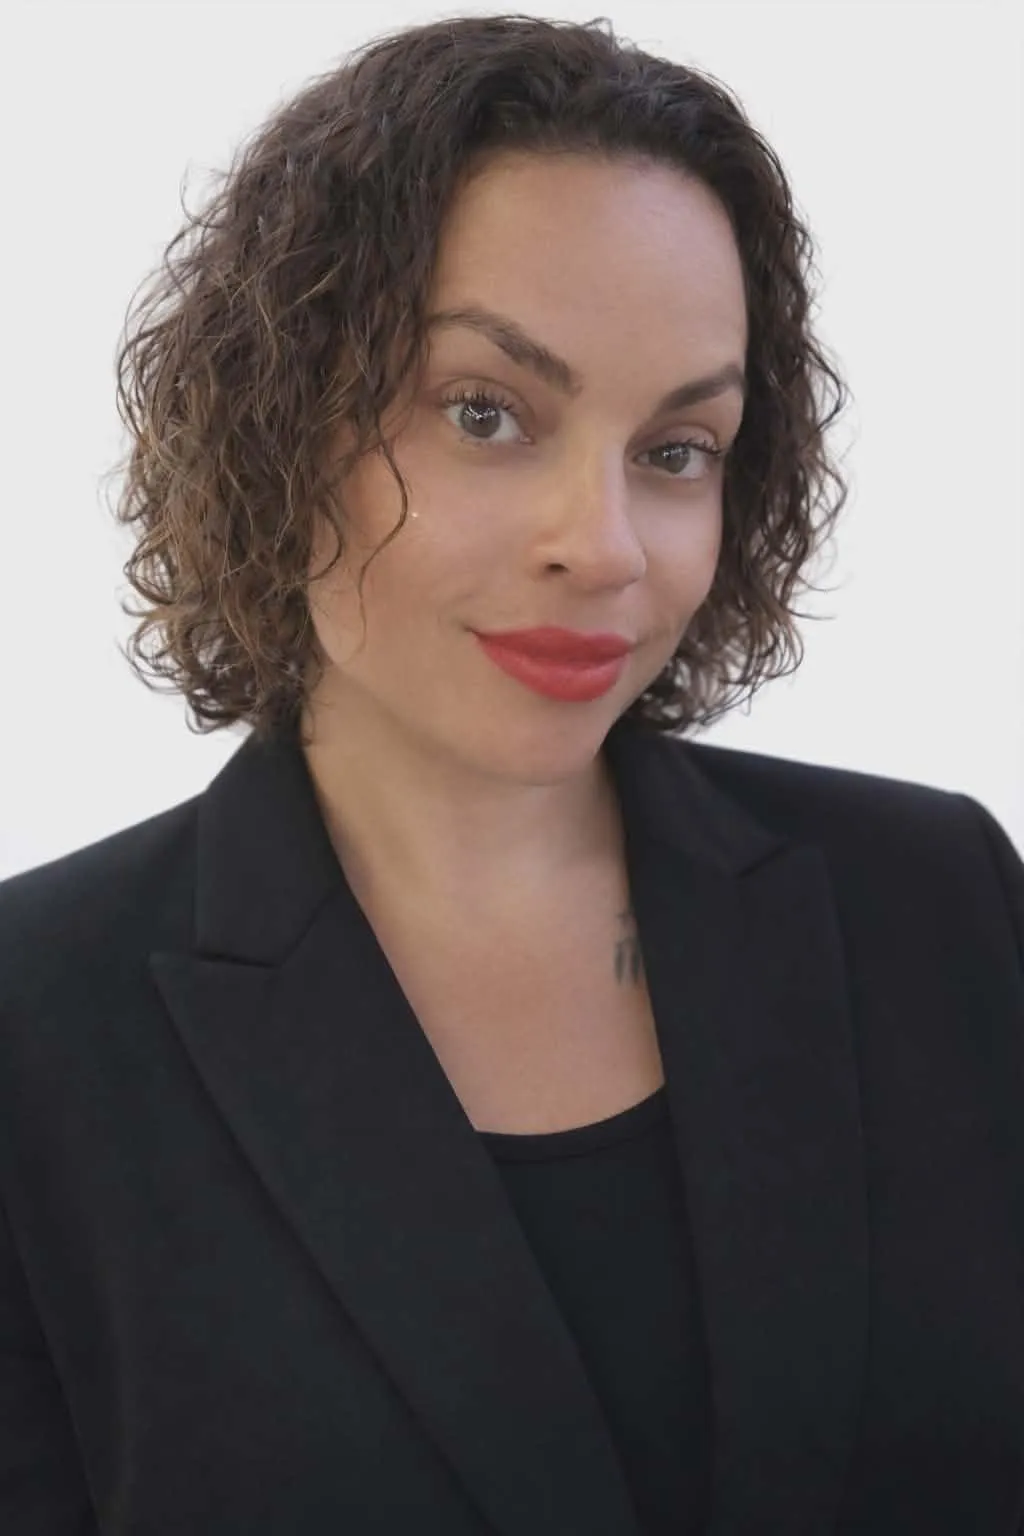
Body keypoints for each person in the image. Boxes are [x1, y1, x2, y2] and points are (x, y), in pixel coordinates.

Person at [1, 12, 1022, 1535]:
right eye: (486, 415)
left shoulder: (938, 903)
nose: (604, 544)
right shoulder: (35, 1034)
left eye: (678, 449)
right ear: (280, 423)